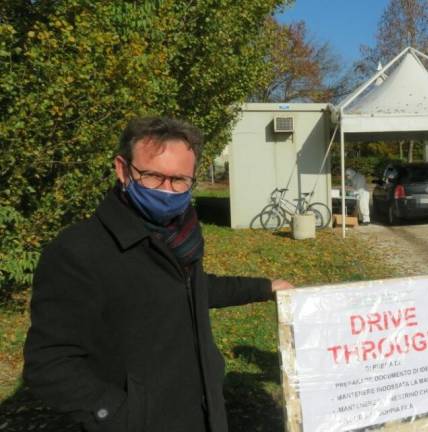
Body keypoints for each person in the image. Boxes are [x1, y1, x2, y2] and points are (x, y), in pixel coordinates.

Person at [23, 116, 293, 432]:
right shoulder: (79, 250)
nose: (167, 191)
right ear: (123, 170)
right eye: (152, 176)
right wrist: (119, 415)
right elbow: (48, 363)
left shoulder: (181, 235)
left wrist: (265, 287)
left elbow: (189, 289)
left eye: (180, 180)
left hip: (204, 413)